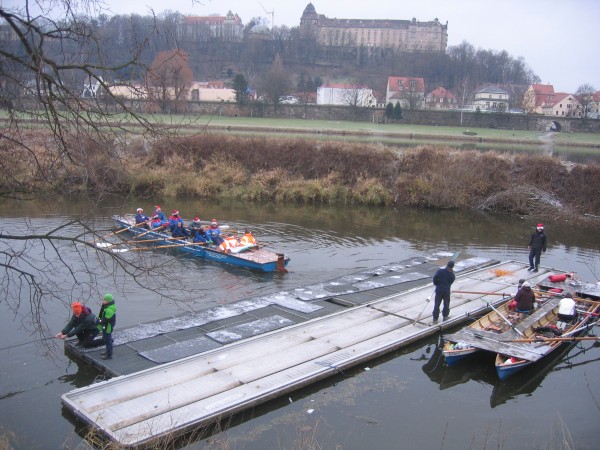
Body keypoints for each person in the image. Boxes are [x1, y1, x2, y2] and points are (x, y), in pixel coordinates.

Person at [95, 293, 117, 360]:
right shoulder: (106, 306)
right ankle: (107, 351)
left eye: (104, 300)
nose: (103, 300)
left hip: (108, 327)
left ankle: (109, 355)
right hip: (105, 326)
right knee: (105, 337)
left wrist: (98, 321)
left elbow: (105, 320)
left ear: (108, 301)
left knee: (108, 340)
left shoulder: (109, 310)